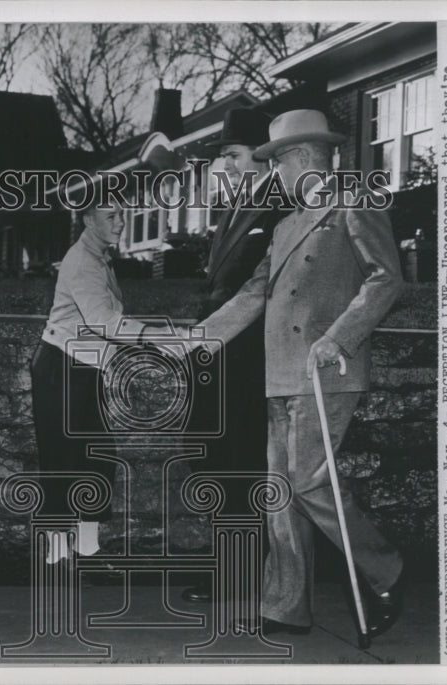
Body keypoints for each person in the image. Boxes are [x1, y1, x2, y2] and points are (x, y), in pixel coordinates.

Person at [193, 110, 406, 637]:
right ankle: (285, 605)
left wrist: (339, 336)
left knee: (310, 481)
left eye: (278, 164)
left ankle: (388, 570)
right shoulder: (288, 223)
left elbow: (387, 279)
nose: (275, 176)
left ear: (302, 159)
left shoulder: (354, 202)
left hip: (326, 369)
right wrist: (196, 341)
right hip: (280, 374)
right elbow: (252, 295)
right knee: (280, 492)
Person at [181, 108, 280, 604]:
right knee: (217, 461)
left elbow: (259, 291)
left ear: (263, 158)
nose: (226, 165)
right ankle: (230, 566)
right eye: (222, 156)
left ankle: (244, 575)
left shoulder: (280, 207)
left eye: (234, 154)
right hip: (217, 357)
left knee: (243, 464)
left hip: (250, 360)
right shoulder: (234, 208)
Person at [30, 202, 159, 565]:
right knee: (61, 458)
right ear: (88, 220)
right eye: (111, 216)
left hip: (85, 366)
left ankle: (87, 549)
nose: (121, 222)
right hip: (62, 367)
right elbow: (104, 321)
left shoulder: (98, 255)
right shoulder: (84, 260)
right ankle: (56, 557)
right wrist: (164, 338)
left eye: (121, 215)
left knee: (99, 456)